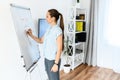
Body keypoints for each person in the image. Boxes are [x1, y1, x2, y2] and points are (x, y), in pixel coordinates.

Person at [26, 9, 64, 80]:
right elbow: (40, 40)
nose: (46, 18)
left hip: (53, 60)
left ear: (53, 18)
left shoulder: (58, 30)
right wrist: (31, 35)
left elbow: (59, 49)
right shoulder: (49, 28)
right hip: (47, 59)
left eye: (47, 16)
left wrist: (56, 64)